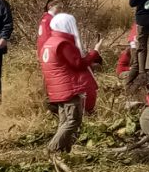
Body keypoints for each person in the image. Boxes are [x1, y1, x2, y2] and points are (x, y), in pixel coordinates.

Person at [39, 11, 102, 157]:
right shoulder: (63, 44)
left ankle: (63, 152)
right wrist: (95, 52)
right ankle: (51, 149)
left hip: (56, 89)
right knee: (74, 121)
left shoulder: (49, 43)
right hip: (68, 88)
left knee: (64, 122)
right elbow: (78, 64)